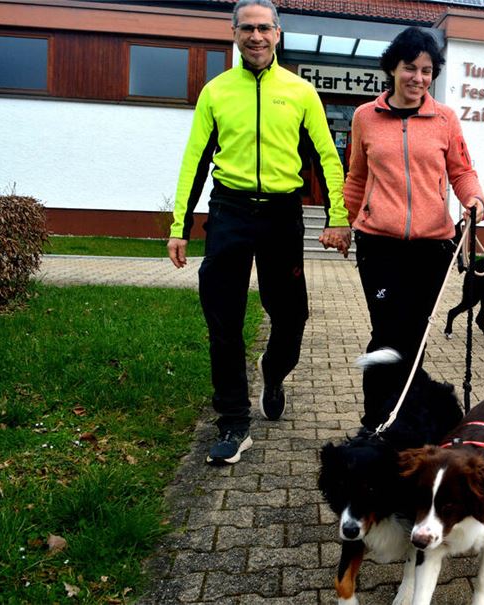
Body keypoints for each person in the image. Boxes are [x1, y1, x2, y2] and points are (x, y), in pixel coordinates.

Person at [167, 0, 350, 465]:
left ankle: (272, 372)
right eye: (246, 28)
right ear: (233, 33)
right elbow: (195, 160)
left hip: (281, 216)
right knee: (223, 320)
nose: (255, 36)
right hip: (229, 211)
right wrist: (179, 226)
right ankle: (233, 420)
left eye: (263, 28)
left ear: (278, 32)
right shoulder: (216, 91)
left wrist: (338, 216)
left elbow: (327, 158)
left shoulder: (301, 92)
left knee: (291, 316)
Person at [343, 26, 484, 426]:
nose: (418, 79)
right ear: (393, 67)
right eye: (410, 68)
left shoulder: (444, 120)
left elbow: (462, 171)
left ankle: (403, 417)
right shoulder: (365, 118)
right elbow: (356, 178)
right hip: (379, 245)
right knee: (388, 333)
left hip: (432, 248)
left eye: (427, 71)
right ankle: (375, 419)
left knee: (415, 336)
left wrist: (474, 198)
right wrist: (350, 222)